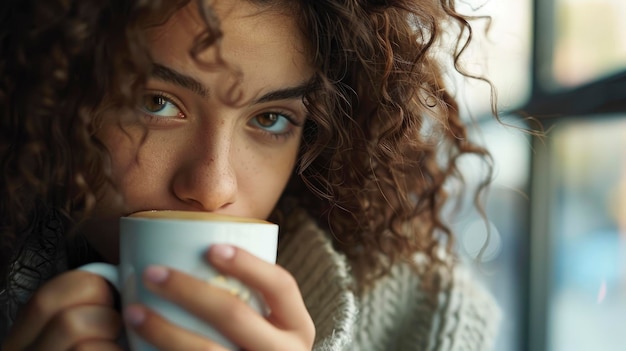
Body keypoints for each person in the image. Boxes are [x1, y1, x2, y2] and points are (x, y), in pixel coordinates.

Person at [0, 0, 501, 349]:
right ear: (57, 98)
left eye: (270, 118)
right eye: (155, 103)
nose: (214, 187)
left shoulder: (428, 322)